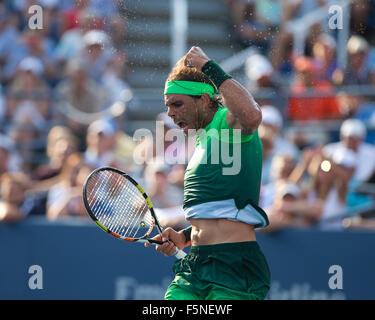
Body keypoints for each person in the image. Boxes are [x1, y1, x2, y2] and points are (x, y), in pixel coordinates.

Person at [146, 46, 270, 300]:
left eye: (177, 104)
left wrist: (207, 65)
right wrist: (183, 237)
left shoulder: (226, 122)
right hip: (195, 267)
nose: (170, 113)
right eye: (168, 107)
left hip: (235, 266)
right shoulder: (201, 141)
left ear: (203, 99)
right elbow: (217, 212)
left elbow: (251, 116)